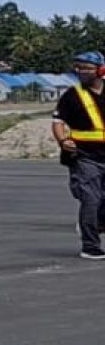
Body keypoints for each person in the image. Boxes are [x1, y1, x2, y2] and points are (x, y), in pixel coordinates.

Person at [52, 50, 105, 260]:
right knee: (91, 199)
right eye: (79, 68)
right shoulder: (72, 95)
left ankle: (95, 223)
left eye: (87, 68)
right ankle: (90, 245)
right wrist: (64, 141)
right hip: (85, 157)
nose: (81, 71)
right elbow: (57, 123)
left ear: (100, 70)